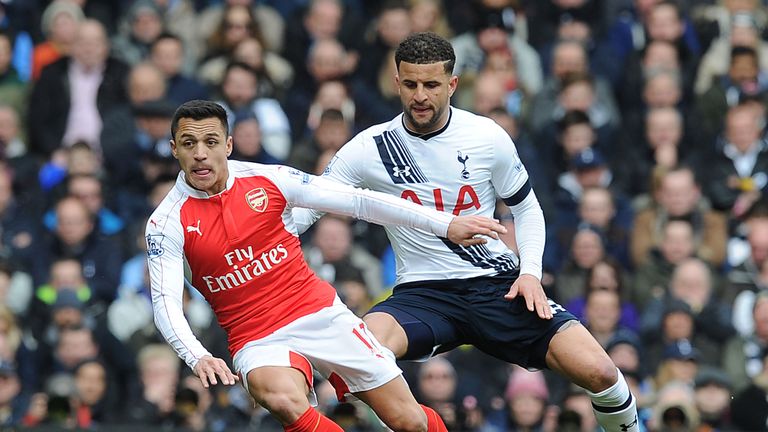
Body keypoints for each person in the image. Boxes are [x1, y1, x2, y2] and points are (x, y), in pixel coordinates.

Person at [293, 32, 640, 432]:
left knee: (601, 372)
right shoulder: (370, 147)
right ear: (396, 83)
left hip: (496, 284)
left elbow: (527, 208)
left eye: (431, 85)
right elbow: (312, 205)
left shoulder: (486, 137)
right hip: (424, 293)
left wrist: (529, 272)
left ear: (452, 84)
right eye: (410, 84)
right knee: (364, 348)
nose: (420, 95)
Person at [146, 99, 507, 432]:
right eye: (189, 143)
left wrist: (445, 224)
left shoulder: (270, 179)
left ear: (227, 145)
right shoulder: (166, 224)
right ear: (174, 149)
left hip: (318, 312)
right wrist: (197, 357)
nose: (200, 154)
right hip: (255, 336)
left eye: (210, 141)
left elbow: (360, 202)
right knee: (281, 397)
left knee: (409, 421)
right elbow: (165, 301)